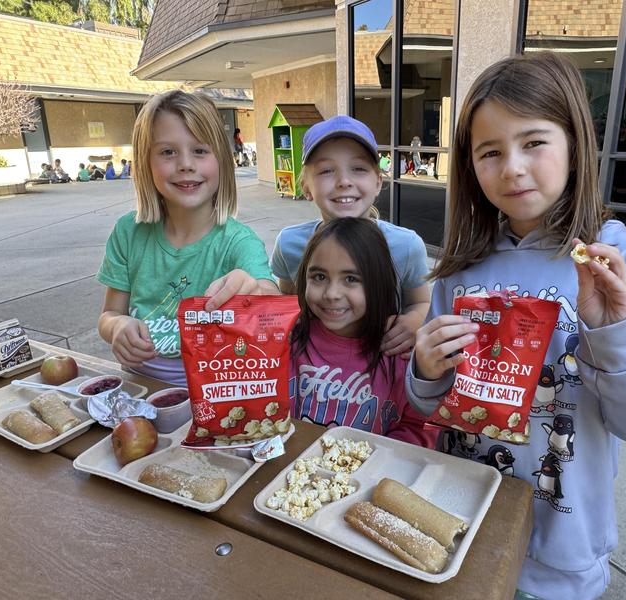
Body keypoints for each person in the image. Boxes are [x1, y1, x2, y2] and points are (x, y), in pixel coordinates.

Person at [406, 52, 626, 600]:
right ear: (470, 167)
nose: (513, 167)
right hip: (455, 526)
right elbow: (433, 407)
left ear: (574, 144)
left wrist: (615, 335)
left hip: (560, 558)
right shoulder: (461, 266)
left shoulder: (625, 263)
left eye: (534, 142)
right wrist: (425, 371)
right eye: (490, 152)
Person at [96, 90, 279, 385]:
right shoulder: (128, 233)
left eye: (200, 150)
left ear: (221, 160)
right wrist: (117, 326)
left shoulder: (239, 242)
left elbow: (269, 296)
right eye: (168, 152)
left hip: (215, 391)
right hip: (140, 385)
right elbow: (109, 314)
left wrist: (254, 293)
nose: (186, 164)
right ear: (146, 163)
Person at [270, 115, 431, 357]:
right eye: (326, 170)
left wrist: (415, 320)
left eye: (358, 168)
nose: (344, 181)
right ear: (305, 187)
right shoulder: (290, 244)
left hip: (383, 374)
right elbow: (289, 300)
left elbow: (422, 302)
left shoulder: (406, 246)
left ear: (378, 182)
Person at [291, 217, 436, 447]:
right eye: (319, 277)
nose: (332, 293)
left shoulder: (400, 351)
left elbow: (418, 427)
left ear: (378, 283)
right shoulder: (287, 341)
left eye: (350, 279)